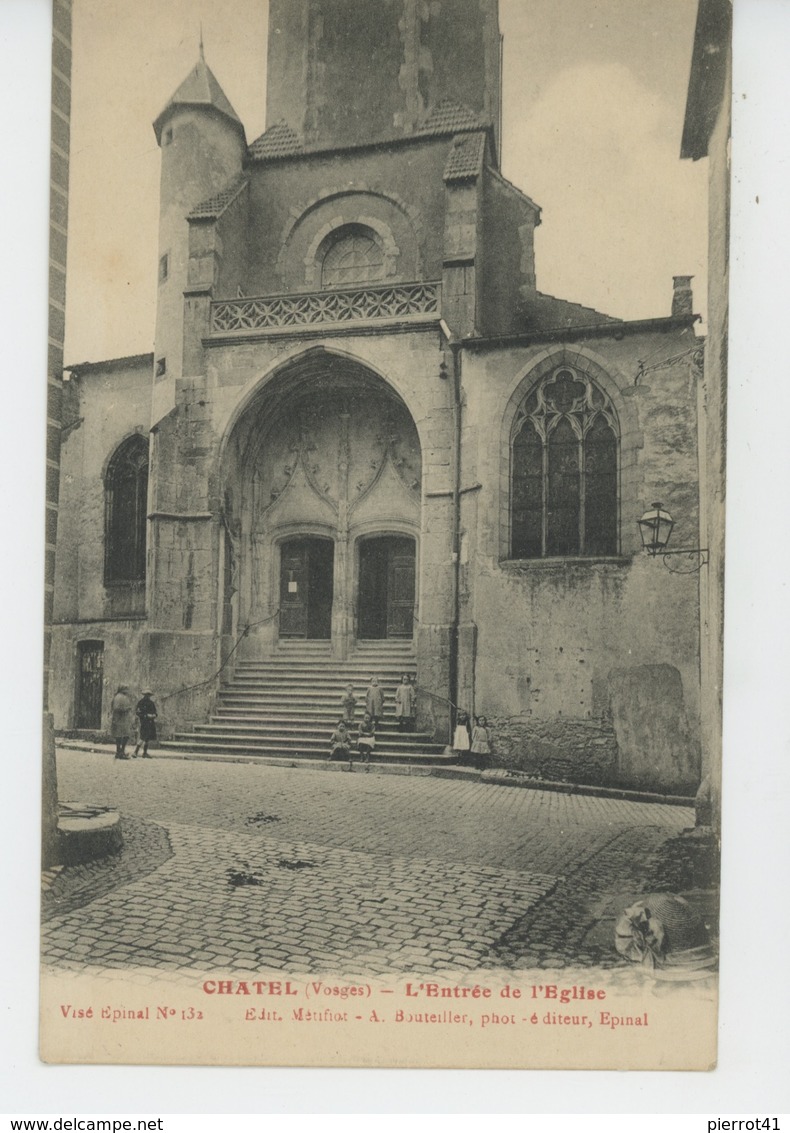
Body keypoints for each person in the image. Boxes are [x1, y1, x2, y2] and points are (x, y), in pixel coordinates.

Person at [110, 685, 134, 760]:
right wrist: (126, 709)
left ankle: (119, 752)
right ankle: (121, 751)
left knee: (119, 736)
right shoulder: (119, 697)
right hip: (120, 719)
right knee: (124, 735)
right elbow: (117, 708)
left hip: (120, 719)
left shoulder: (117, 696)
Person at [134, 688, 158, 758]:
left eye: (149, 695)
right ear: (144, 695)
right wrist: (145, 715)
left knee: (147, 738)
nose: (147, 696)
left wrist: (154, 715)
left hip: (151, 722)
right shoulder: (141, 703)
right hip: (144, 722)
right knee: (142, 737)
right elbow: (138, 712)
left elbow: (155, 712)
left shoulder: (151, 703)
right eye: (146, 695)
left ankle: (145, 752)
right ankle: (135, 752)